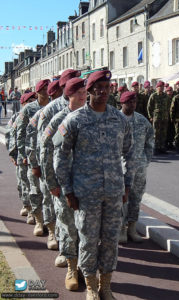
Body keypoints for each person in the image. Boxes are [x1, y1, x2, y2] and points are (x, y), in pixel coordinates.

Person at [53, 70, 135, 300]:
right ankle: (90, 286)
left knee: (110, 241)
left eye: (106, 87)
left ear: (111, 90)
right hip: (85, 194)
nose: (102, 92)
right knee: (88, 240)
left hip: (113, 192)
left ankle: (105, 285)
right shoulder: (74, 120)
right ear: (88, 91)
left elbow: (129, 153)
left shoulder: (119, 120)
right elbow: (60, 156)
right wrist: (67, 190)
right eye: (97, 88)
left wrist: (127, 184)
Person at [41, 78, 87, 290]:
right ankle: (71, 267)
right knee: (69, 228)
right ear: (68, 95)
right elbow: (46, 151)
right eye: (78, 92)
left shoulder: (90, 117)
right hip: (65, 185)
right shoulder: (59, 120)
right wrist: (52, 182)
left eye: (84, 92)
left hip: (88, 184)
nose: (83, 96)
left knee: (87, 229)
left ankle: (86, 269)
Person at [119, 91, 154, 243]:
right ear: (122, 103)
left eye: (134, 102)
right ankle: (120, 229)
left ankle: (132, 228)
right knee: (121, 199)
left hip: (139, 167)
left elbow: (150, 141)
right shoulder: (115, 120)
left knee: (136, 198)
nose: (132, 105)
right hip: (119, 168)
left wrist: (146, 160)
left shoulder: (142, 121)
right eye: (129, 102)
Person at [16, 81, 50, 236]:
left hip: (49, 156)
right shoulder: (29, 109)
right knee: (35, 191)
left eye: (47, 89)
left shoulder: (54, 107)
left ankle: (51, 225)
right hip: (33, 155)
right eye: (43, 90)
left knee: (50, 192)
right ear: (37, 92)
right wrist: (23, 155)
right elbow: (21, 132)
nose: (46, 92)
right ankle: (39, 221)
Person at [8, 93, 36, 224]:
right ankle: (27, 206)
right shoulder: (16, 117)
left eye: (33, 100)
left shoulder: (38, 114)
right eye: (29, 100)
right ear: (23, 103)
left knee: (34, 185)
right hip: (21, 154)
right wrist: (13, 154)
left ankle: (35, 209)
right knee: (23, 183)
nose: (32, 102)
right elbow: (11, 136)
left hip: (33, 154)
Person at [147, 81, 170, 154]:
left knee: (163, 133)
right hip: (156, 117)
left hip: (164, 117)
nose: (162, 88)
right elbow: (149, 107)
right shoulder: (153, 96)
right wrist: (150, 116)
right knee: (156, 133)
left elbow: (168, 106)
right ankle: (155, 148)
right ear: (157, 87)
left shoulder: (166, 96)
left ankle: (162, 147)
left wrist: (167, 114)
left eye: (163, 87)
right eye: (160, 87)